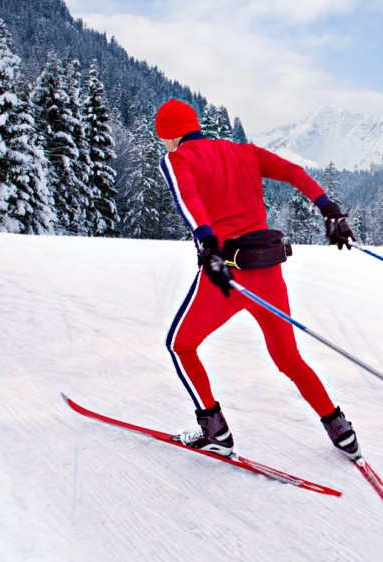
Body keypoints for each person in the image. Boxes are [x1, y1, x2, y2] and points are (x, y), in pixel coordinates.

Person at [154, 98, 360, 460]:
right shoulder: (243, 152)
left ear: (170, 136)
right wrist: (327, 208)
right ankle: (339, 429)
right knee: (288, 358)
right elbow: (292, 172)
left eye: (164, 139)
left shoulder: (177, 158)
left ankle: (215, 430)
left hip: (226, 276)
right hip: (268, 273)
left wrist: (207, 242)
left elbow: (187, 198)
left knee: (180, 345)